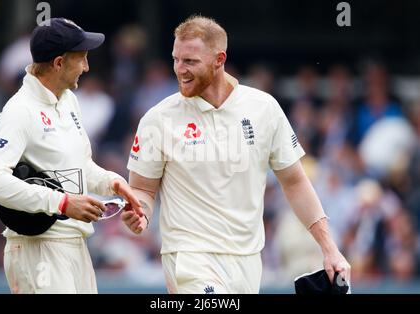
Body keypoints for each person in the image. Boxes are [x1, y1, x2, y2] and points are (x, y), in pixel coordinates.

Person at [121, 15, 350, 294]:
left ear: (219, 59)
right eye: (175, 59)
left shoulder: (263, 108)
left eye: (190, 61)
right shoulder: (157, 119)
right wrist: (140, 212)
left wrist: (329, 248)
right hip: (190, 259)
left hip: (249, 261)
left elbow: (295, 182)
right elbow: (143, 189)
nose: (179, 69)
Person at [0, 18, 143, 293]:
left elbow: (81, 167)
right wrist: (63, 203)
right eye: (82, 59)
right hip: (38, 251)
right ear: (58, 63)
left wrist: (112, 182)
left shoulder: (69, 101)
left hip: (76, 246)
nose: (87, 67)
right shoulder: (20, 110)